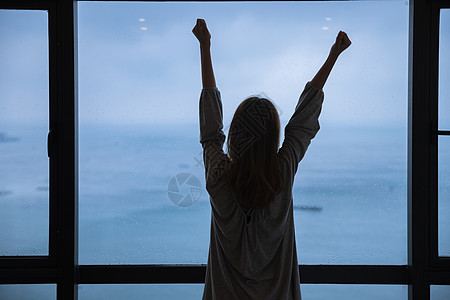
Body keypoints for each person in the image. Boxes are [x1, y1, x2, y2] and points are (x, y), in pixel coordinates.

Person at [193, 18, 351, 300]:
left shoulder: (218, 178)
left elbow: (210, 133)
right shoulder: (283, 173)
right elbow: (302, 122)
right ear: (272, 139)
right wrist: (333, 57)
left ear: (235, 135)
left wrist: (205, 47)